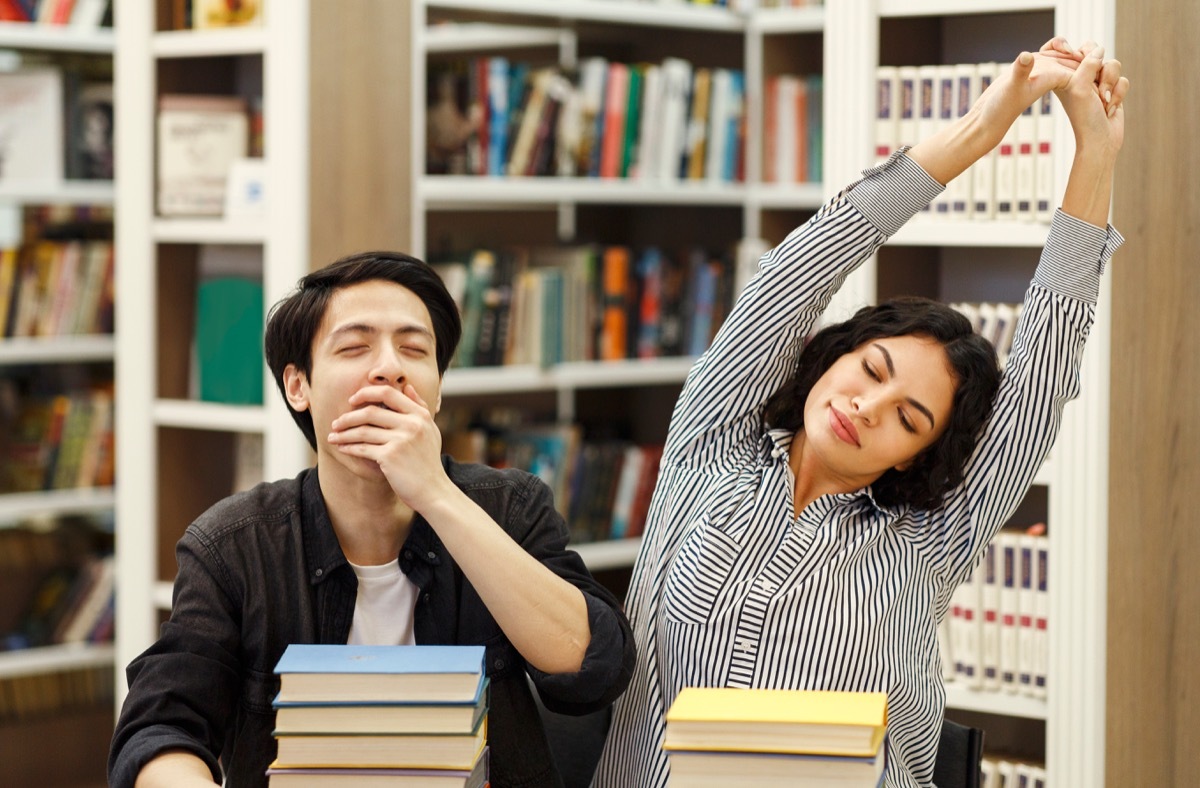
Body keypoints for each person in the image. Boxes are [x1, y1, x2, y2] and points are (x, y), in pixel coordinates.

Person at [592, 38, 1127, 788]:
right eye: (870, 370)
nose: (867, 407)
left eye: (909, 419)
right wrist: (980, 128)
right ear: (831, 357)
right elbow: (799, 268)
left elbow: (1046, 362)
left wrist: (1094, 151)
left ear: (916, 455)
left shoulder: (930, 540)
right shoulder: (708, 450)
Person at [108, 252, 636, 787]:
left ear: (436, 391)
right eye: (355, 347)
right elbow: (159, 727)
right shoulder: (235, 545)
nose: (389, 368)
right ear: (299, 387)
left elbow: (592, 668)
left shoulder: (511, 508)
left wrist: (435, 494)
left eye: (415, 349)